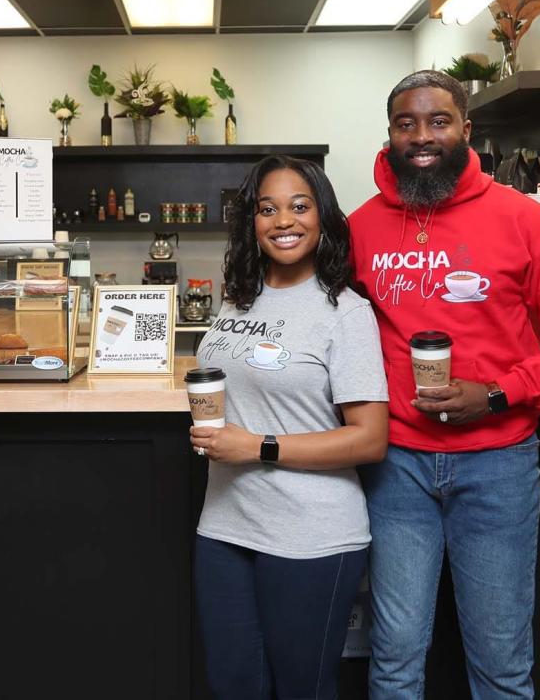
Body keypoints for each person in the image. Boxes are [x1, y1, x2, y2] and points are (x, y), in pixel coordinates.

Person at [349, 70, 540, 699]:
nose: (422, 136)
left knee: (500, 662)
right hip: (396, 466)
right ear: (389, 135)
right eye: (406, 124)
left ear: (467, 130)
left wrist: (497, 392)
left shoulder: (526, 221)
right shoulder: (359, 228)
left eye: (438, 121)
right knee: (393, 658)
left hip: (498, 465)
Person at [190, 154, 390, 700]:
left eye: (300, 207)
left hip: (311, 535)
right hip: (226, 525)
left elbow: (370, 439)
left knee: (303, 688)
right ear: (251, 222)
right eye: (268, 208)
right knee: (233, 686)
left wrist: (256, 445)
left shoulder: (344, 312)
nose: (284, 221)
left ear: (322, 217)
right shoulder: (238, 296)